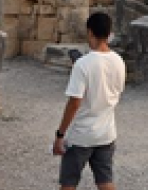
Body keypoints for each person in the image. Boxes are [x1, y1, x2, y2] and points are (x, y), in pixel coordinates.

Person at [52, 11, 126, 190]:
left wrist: (60, 135)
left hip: (81, 135)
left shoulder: (82, 64)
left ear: (90, 32)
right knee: (105, 181)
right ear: (109, 33)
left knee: (68, 182)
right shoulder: (119, 61)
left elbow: (74, 103)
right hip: (106, 132)